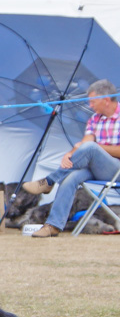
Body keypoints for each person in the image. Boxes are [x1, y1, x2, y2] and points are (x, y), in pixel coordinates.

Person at [24, 79, 120, 237]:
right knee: (69, 178)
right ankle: (53, 226)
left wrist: (95, 147)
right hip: (96, 168)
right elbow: (85, 143)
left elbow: (91, 147)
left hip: (116, 170)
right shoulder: (95, 119)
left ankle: (49, 181)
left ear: (107, 100)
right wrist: (71, 153)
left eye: (93, 101)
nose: (90, 106)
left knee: (90, 148)